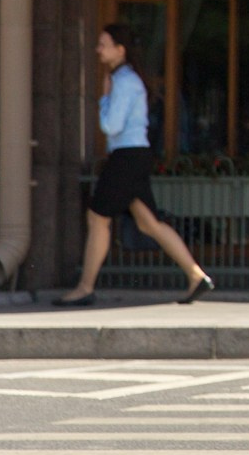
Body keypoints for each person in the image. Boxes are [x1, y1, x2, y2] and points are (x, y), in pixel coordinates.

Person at [55, 25, 215, 307]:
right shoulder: (127, 79)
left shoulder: (124, 81)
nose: (98, 49)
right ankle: (196, 275)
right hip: (134, 155)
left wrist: (104, 98)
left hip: (126, 157)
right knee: (149, 222)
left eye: (103, 44)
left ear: (120, 49)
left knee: (97, 217)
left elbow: (111, 125)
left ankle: (85, 287)